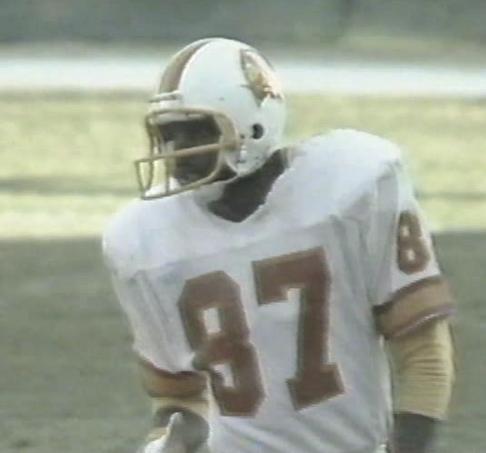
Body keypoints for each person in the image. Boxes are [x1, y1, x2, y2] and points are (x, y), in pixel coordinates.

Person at [102, 38, 456, 453]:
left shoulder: (350, 189)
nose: (178, 151)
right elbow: (177, 397)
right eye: (168, 134)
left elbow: (424, 353)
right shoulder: (144, 239)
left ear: (252, 124)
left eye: (196, 130)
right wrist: (171, 441)